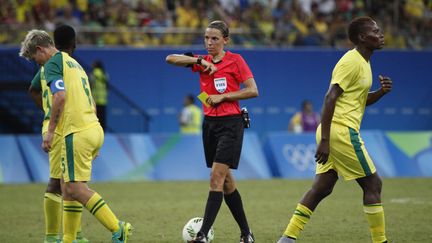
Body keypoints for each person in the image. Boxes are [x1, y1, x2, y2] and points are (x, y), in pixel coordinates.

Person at [277, 16, 392, 243]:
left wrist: (380, 93)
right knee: (373, 184)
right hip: (341, 132)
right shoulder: (351, 61)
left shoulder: (364, 63)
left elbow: (358, 99)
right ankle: (381, 241)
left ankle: (287, 239)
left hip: (334, 132)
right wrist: (326, 140)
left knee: (322, 188)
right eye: (375, 31)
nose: (380, 35)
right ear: (361, 37)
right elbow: (330, 98)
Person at [20, 29, 133, 243]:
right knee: (66, 185)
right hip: (92, 127)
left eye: (36, 59)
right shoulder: (76, 65)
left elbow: (60, 96)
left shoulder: (53, 62)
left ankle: (118, 227)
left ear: (40, 49)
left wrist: (51, 128)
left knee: (72, 187)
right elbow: (88, 100)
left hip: (74, 130)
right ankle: (71, 238)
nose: (38, 64)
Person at [166, 20, 259, 243]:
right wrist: (198, 60)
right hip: (210, 125)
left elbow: (253, 90)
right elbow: (170, 58)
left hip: (231, 124)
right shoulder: (203, 61)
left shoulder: (236, 61)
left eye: (215, 38)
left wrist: (224, 96)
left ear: (225, 40)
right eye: (206, 38)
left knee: (216, 178)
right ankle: (246, 234)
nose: (209, 42)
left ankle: (201, 235)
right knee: (226, 182)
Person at [27, 25, 88, 243]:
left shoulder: (55, 65)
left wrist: (47, 111)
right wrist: (49, 115)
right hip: (59, 126)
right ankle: (53, 237)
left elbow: (33, 89)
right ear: (74, 43)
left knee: (70, 182)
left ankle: (74, 235)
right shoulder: (56, 65)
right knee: (60, 183)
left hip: (65, 125)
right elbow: (54, 95)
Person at [90, 60, 108, 130]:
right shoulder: (104, 74)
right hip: (103, 99)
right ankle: (103, 132)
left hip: (95, 100)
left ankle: (96, 131)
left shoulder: (93, 73)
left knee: (95, 118)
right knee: (102, 118)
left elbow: (91, 85)